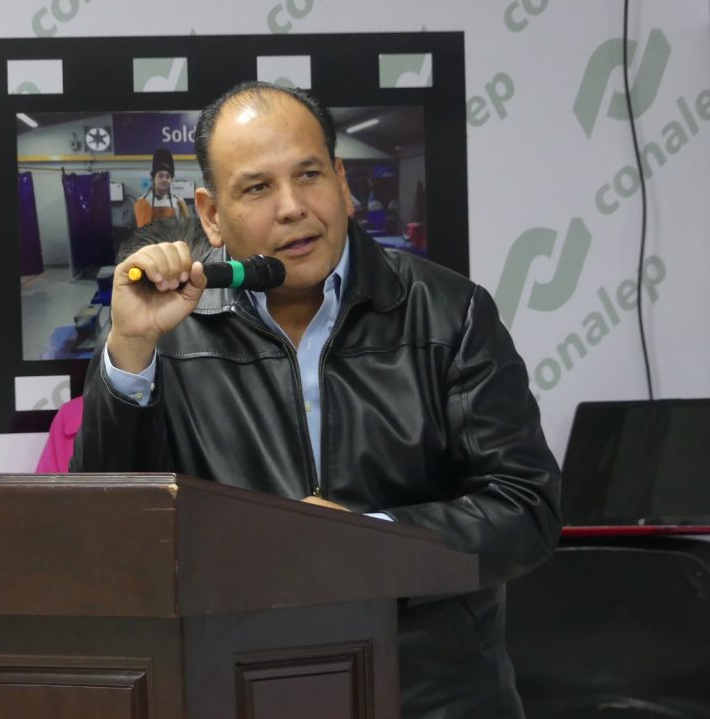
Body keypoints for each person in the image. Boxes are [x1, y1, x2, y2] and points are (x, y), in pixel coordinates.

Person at [71, 81, 560, 718]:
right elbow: (109, 537)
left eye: (309, 175)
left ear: (342, 180)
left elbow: (525, 508)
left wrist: (365, 544)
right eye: (257, 188)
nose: (293, 208)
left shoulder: (449, 313)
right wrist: (132, 349)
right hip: (240, 689)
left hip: (432, 697)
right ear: (211, 214)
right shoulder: (167, 331)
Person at [133, 147, 191, 228]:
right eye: (160, 176)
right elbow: (141, 232)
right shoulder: (143, 201)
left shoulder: (179, 202)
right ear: (153, 178)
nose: (164, 179)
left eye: (168, 176)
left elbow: (187, 228)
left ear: (171, 179)